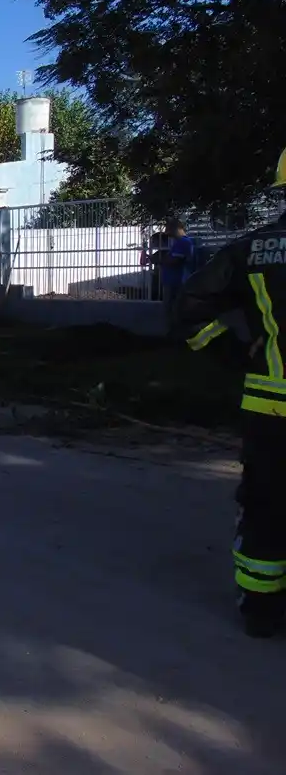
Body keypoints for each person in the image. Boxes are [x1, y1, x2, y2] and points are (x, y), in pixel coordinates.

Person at [171, 147, 286, 639]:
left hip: (270, 405)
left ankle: (260, 607)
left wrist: (237, 354)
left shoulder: (253, 249)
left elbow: (188, 307)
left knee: (266, 504)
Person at [162, 218, 197, 304]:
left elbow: (174, 261)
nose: (167, 232)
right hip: (173, 283)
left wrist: (160, 260)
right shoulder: (179, 242)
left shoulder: (183, 242)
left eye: (169, 229)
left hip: (176, 283)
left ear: (176, 228)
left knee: (172, 308)